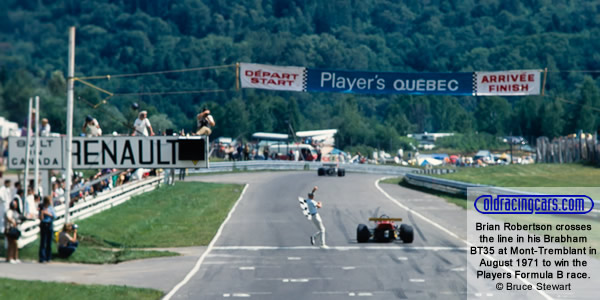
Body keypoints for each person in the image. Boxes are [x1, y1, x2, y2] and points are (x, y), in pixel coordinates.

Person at [38, 196, 55, 263]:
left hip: (49, 224)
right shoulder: (42, 208)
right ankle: (42, 257)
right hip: (44, 224)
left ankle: (48, 257)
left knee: (49, 242)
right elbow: (41, 218)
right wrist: (42, 212)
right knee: (43, 241)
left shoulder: (50, 208)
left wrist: (48, 213)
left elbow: (54, 216)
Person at [4, 199, 22, 263]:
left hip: (13, 229)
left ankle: (14, 257)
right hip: (9, 229)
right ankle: (10, 257)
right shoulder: (9, 211)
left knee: (14, 244)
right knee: (12, 243)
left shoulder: (15, 212)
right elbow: (8, 218)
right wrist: (13, 222)